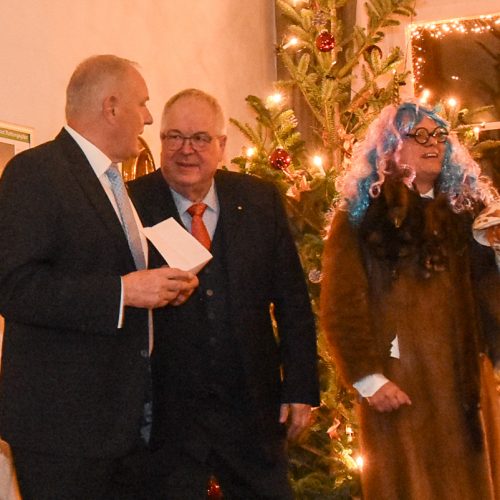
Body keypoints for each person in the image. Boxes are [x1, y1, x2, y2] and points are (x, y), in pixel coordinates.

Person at [0, 55, 198, 500]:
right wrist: (125, 291)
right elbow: (15, 286)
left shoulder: (115, 183)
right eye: (142, 104)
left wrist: (162, 288)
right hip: (63, 427)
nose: (148, 118)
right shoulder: (36, 172)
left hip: (121, 422)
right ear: (111, 107)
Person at [128, 88, 320, 499]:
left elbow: (292, 301)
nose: (186, 150)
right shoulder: (132, 203)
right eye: (174, 137)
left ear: (222, 145)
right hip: (165, 415)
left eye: (200, 138)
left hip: (251, 407)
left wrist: (300, 387)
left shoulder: (259, 200)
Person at [320, 101, 500, 499]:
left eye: (438, 135)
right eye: (418, 135)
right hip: (400, 389)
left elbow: (490, 295)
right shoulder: (362, 218)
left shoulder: (466, 213)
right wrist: (368, 378)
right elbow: (341, 305)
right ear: (389, 146)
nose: (432, 143)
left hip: (465, 392)